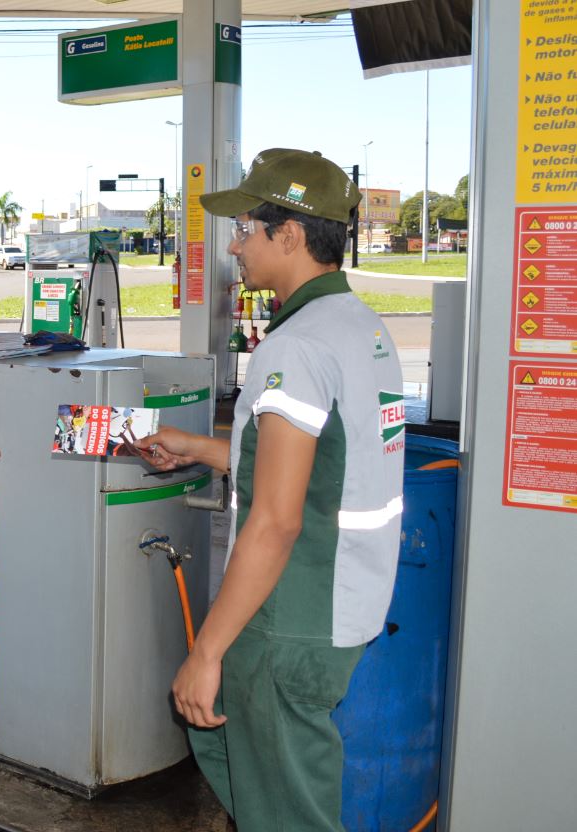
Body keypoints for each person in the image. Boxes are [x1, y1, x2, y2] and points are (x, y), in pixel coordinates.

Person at [136, 148, 405, 832]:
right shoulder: (359, 326)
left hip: (290, 611)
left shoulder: (298, 345)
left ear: (289, 235)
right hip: (343, 600)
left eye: (245, 229)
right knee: (254, 771)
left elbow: (278, 519)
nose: (233, 245)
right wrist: (201, 449)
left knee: (286, 808)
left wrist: (207, 651)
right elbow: (319, 473)